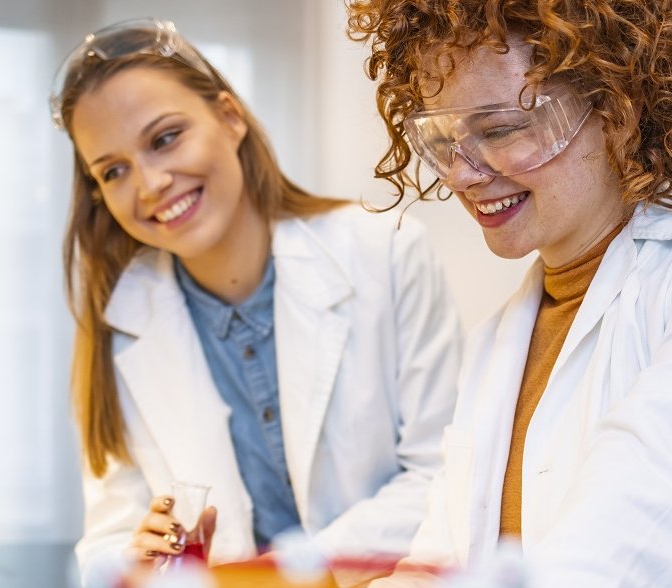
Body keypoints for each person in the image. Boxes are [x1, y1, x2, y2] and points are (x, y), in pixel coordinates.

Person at [348, 1, 672, 585]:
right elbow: (436, 565)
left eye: (501, 129)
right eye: (445, 138)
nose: (461, 173)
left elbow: (626, 535)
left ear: (619, 113)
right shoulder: (497, 343)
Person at [49, 18, 462, 586]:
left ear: (230, 116)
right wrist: (136, 559)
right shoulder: (118, 322)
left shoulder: (387, 252)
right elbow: (107, 539)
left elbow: (440, 475)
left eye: (165, 138)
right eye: (113, 170)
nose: (148, 184)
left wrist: (285, 574)